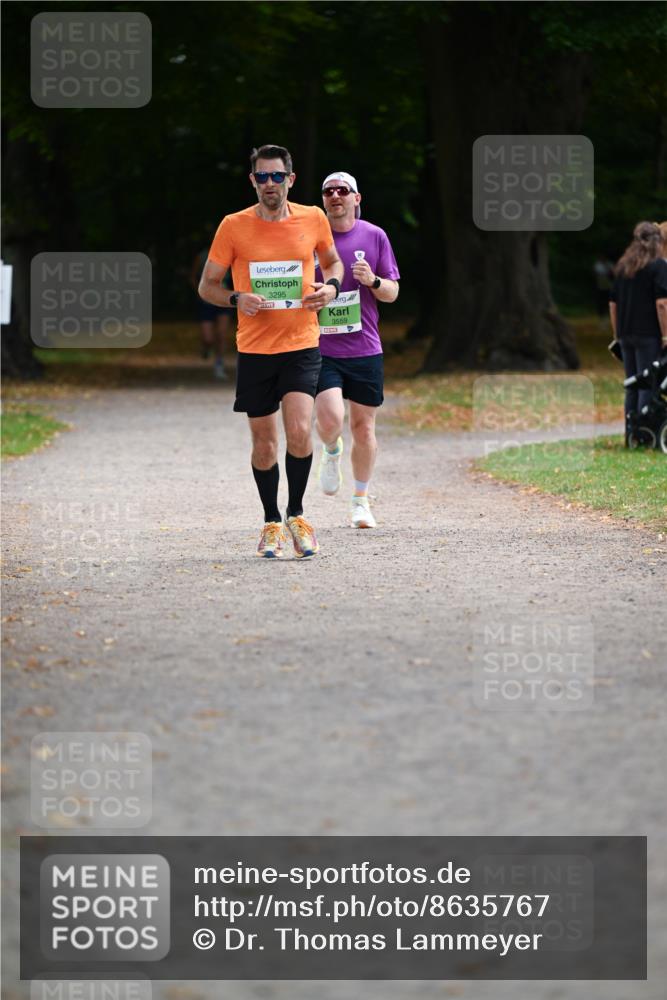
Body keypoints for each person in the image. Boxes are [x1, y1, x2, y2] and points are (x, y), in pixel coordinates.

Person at [198, 144, 343, 558]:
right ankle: (271, 522)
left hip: (301, 343)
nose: (269, 184)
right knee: (264, 442)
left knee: (299, 431)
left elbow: (332, 264)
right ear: (252, 182)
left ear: (290, 180)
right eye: (261, 177)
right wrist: (235, 299)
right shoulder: (233, 226)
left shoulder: (313, 218)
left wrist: (328, 289)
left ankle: (297, 515)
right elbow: (207, 286)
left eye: (276, 176)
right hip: (256, 348)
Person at [314, 171, 399, 528]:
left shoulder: (374, 236)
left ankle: (361, 501)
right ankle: (332, 449)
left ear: (356, 198)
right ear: (323, 200)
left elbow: (392, 292)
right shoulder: (311, 239)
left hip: (364, 346)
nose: (336, 196)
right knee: (331, 420)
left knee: (364, 428)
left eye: (343, 191)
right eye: (329, 191)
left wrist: (373, 281)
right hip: (321, 346)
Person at [609, 221, 667, 442]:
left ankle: (630, 432)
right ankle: (645, 434)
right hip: (649, 334)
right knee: (647, 384)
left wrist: (617, 334)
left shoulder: (623, 266)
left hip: (626, 334)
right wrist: (665, 335)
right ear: (657, 242)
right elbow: (662, 304)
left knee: (631, 385)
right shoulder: (658, 267)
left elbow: (612, 304)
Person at [191, 242, 233, 379]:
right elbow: (192, 275)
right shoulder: (202, 256)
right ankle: (206, 347)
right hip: (206, 301)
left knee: (221, 334)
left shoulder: (232, 252)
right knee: (208, 338)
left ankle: (219, 364)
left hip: (224, 300)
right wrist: (200, 291)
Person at [592, 254, 614, 328]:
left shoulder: (609, 265)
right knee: (600, 305)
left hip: (608, 288)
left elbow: (613, 274)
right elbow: (597, 274)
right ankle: (602, 321)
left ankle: (608, 320)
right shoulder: (598, 265)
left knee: (609, 304)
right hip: (600, 288)